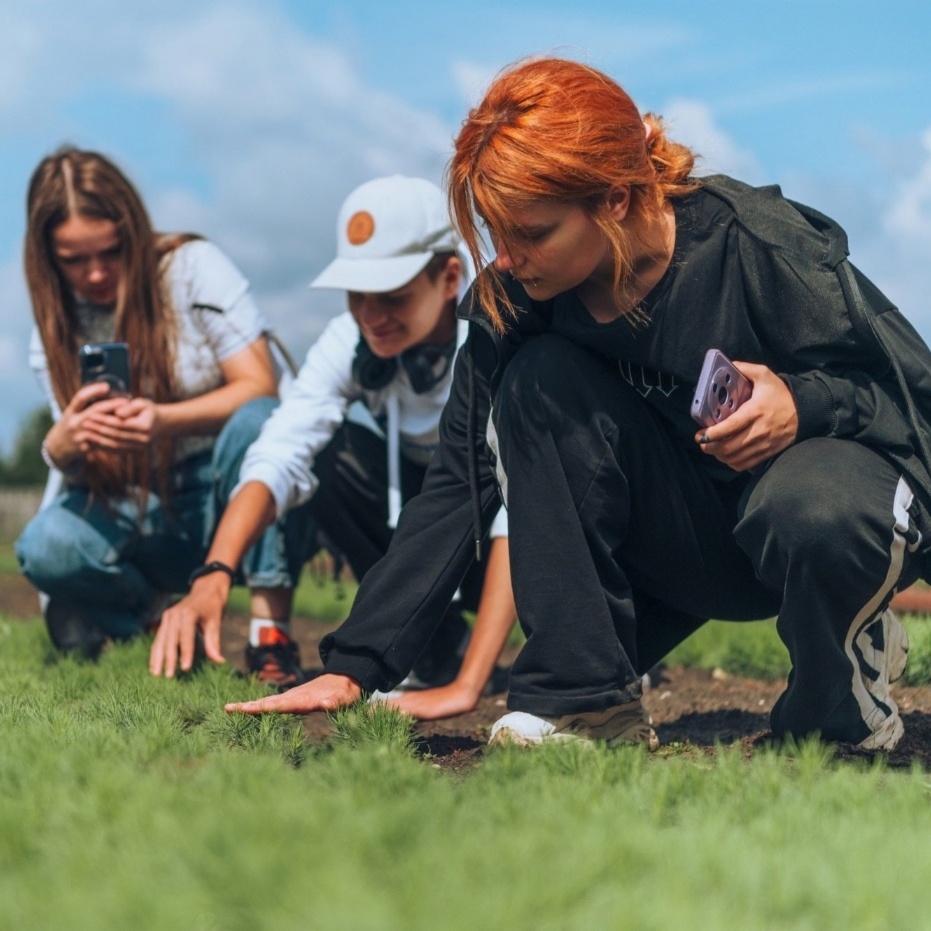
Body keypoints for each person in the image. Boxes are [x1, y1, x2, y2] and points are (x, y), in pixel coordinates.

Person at [224, 57, 931, 754]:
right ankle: (585, 700)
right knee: (535, 379)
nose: (507, 257)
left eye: (531, 233)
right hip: (688, 550)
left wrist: (800, 403)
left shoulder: (758, 245)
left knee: (813, 510)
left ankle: (840, 673)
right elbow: (457, 483)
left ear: (615, 199)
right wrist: (355, 663)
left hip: (807, 521)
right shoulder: (513, 306)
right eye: (494, 231)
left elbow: (911, 409)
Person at [150, 175, 517, 704]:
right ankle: (435, 644)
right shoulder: (350, 342)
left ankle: (577, 645)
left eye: (390, 296)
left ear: (450, 277)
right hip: (420, 543)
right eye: (356, 295)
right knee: (322, 455)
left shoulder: (499, 336)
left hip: (509, 541)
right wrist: (215, 573)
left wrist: (469, 687)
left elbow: (519, 510)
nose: (370, 316)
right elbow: (280, 451)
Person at [15, 146, 286, 657]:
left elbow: (259, 385)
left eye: (111, 252)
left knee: (261, 422)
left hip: (226, 492)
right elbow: (84, 476)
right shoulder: (52, 331)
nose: (95, 274)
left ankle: (271, 635)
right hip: (144, 502)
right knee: (42, 546)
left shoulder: (191, 267)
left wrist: (164, 421)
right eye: (74, 260)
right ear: (47, 257)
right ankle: (151, 621)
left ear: (134, 234)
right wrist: (64, 445)